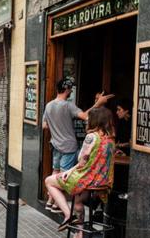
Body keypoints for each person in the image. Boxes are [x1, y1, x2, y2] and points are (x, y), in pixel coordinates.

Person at [42, 78, 113, 212]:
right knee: (63, 175)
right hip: (68, 145)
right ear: (67, 89)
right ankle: (58, 205)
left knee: (55, 171)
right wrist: (98, 103)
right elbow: (86, 116)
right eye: (71, 89)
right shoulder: (68, 105)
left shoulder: (49, 105)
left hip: (55, 144)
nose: (71, 91)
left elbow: (45, 125)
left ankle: (50, 201)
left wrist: (56, 126)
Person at [45, 107, 115, 237]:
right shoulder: (111, 139)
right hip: (102, 182)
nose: (86, 122)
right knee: (78, 201)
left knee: (49, 181)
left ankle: (67, 215)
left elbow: (81, 159)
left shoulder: (91, 137)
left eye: (89, 119)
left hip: (85, 180)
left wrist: (70, 170)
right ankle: (80, 233)